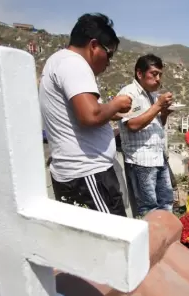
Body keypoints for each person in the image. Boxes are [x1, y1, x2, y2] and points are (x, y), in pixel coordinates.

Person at [39, 13, 132, 216]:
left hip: (80, 176)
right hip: (89, 176)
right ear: (93, 45)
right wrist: (116, 103)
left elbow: (81, 113)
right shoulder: (74, 63)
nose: (109, 62)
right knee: (112, 242)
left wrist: (110, 112)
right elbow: (90, 116)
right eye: (109, 54)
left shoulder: (58, 61)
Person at [117, 54, 174, 217]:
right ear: (139, 73)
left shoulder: (153, 96)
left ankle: (166, 239)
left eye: (160, 75)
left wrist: (164, 113)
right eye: (154, 74)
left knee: (166, 203)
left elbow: (157, 124)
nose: (158, 79)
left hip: (158, 157)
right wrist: (158, 106)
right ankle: (152, 241)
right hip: (141, 160)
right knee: (149, 208)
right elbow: (133, 125)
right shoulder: (128, 93)